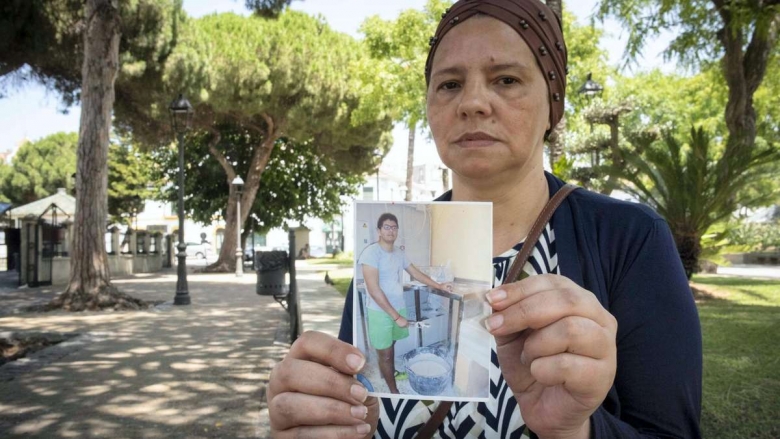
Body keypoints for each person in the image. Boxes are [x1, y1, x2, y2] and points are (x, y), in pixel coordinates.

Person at [267, 0, 702, 438]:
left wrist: (576, 430)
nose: (472, 103)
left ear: (554, 103)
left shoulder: (631, 239)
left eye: (506, 80)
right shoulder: (384, 250)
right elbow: (360, 410)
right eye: (450, 84)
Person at [358, 212, 452, 394]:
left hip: (397, 306)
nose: (391, 230)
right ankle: (394, 391)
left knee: (391, 345)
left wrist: (439, 285)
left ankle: (390, 372)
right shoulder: (371, 253)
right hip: (380, 311)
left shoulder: (399, 253)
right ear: (379, 230)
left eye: (394, 227)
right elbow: (373, 290)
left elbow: (416, 273)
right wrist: (396, 317)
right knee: (385, 354)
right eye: (387, 227)